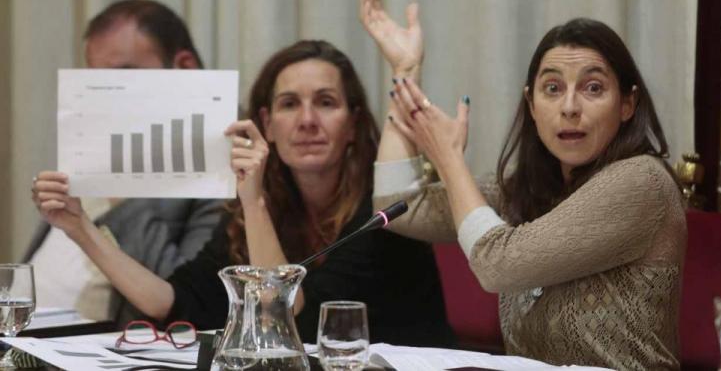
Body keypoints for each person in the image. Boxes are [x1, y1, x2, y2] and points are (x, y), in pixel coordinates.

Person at [34, 39, 453, 346]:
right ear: (268, 124)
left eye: (325, 102)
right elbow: (172, 301)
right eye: (290, 104)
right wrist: (79, 228)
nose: (307, 120)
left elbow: (288, 317)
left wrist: (253, 201)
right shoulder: (262, 212)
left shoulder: (382, 212)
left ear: (353, 124)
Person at [360, 0, 686, 369]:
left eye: (593, 88)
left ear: (627, 104)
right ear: (531, 104)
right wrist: (405, 72)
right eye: (552, 88)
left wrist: (449, 160)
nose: (569, 106)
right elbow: (399, 207)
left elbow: (497, 265)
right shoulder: (524, 188)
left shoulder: (642, 182)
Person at [28, 0, 222, 326]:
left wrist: (120, 193)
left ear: (184, 68)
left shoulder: (223, 158)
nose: (105, 97)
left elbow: (188, 300)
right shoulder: (92, 143)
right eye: (96, 82)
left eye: (124, 76)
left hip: (95, 348)